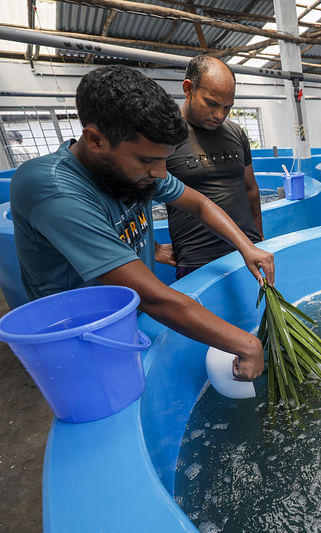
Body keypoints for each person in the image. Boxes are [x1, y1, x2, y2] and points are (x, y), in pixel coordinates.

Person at [11, 65, 274, 381]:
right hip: (81, 339)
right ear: (95, 139)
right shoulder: (52, 187)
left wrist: (247, 247)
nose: (161, 173)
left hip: (129, 318)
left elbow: (201, 204)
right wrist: (246, 343)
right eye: (148, 160)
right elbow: (152, 296)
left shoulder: (134, 171)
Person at [166, 55, 262, 279]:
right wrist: (154, 248)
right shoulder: (165, 136)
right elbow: (130, 198)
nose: (219, 115)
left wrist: (258, 237)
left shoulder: (236, 133)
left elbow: (251, 189)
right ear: (189, 89)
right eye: (211, 103)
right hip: (198, 261)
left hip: (247, 253)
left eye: (227, 107)